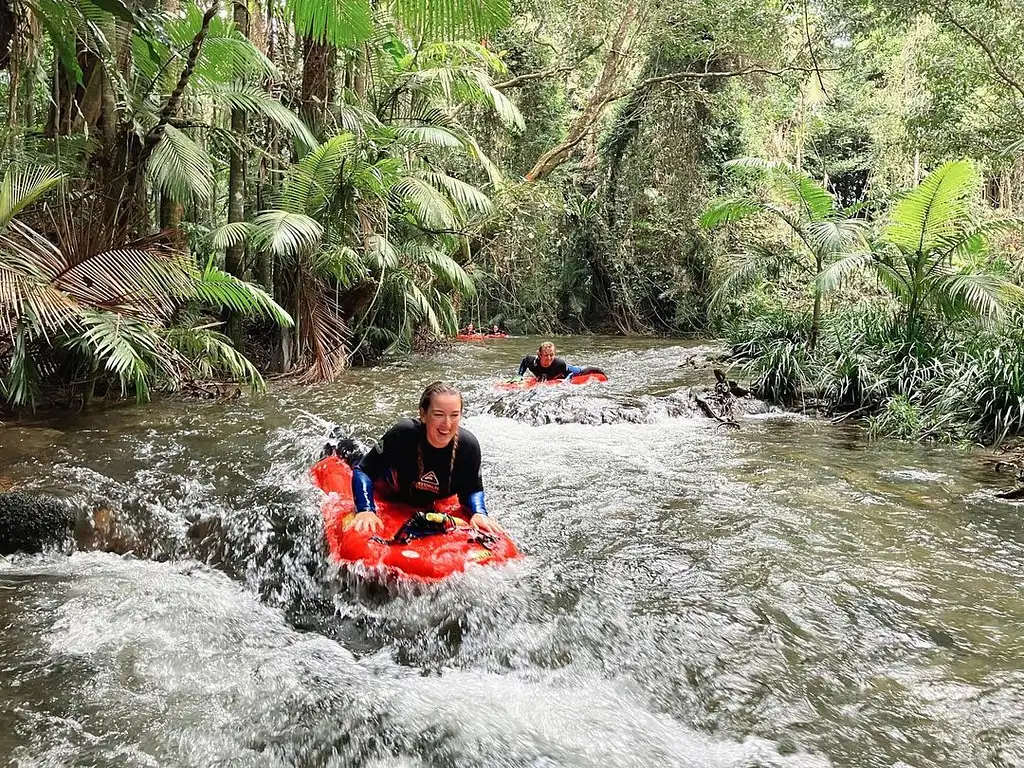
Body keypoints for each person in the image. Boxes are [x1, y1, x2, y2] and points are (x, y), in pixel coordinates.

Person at [348, 382, 504, 536]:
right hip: (388, 490)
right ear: (423, 414)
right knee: (352, 454)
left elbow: (473, 488)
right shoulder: (403, 434)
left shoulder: (468, 446)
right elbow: (364, 470)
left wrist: (479, 512)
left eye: (454, 415)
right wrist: (365, 509)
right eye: (438, 414)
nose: (447, 424)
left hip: (426, 501)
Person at [517, 341, 605, 381]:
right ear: (540, 355)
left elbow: (570, 373)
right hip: (547, 376)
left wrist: (566, 381)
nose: (549, 358)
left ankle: (600, 370)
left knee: (581, 371)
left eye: (551, 355)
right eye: (546, 355)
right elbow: (524, 362)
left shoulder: (559, 364)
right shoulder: (532, 361)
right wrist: (519, 375)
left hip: (568, 370)